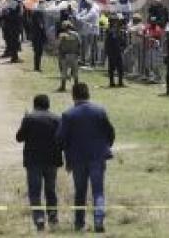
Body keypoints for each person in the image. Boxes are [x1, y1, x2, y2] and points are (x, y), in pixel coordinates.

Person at [56, 83, 115, 233]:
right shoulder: (100, 111)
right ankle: (99, 220)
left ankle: (79, 223)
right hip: (97, 157)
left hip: (77, 159)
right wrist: (105, 146)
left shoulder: (68, 115)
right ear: (88, 94)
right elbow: (110, 132)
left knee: (80, 191)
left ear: (73, 95)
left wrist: (66, 152)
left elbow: (60, 139)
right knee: (98, 191)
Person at [16, 94, 62, 232]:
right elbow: (61, 139)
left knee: (35, 191)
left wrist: (24, 119)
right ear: (48, 105)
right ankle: (53, 217)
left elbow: (19, 138)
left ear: (35, 105)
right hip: (52, 160)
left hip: (33, 161)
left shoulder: (29, 118)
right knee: (51, 190)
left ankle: (39, 219)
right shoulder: (57, 119)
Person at [56, 21, 81, 92]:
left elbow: (58, 45)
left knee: (64, 71)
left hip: (65, 55)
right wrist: (78, 54)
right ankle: (76, 87)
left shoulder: (62, 35)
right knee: (75, 72)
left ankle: (63, 87)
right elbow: (79, 44)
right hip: (74, 55)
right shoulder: (76, 34)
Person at [104, 15, 126, 88]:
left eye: (116, 21)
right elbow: (109, 41)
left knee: (120, 68)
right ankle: (112, 82)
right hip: (112, 51)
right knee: (111, 68)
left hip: (118, 51)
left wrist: (123, 46)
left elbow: (121, 39)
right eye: (114, 21)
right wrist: (107, 50)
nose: (116, 22)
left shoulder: (118, 30)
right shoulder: (110, 30)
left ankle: (120, 82)